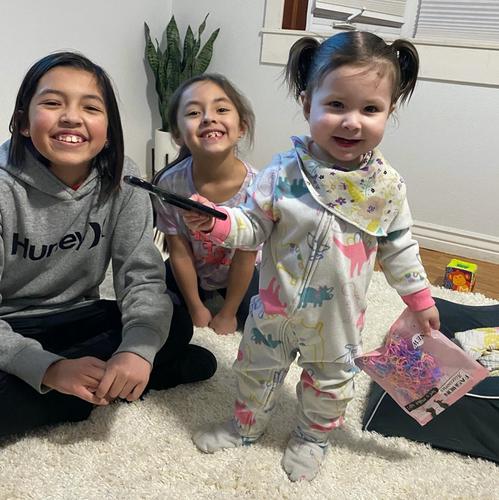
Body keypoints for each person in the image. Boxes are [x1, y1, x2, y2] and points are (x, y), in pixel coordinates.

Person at [182, 31, 440, 481]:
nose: (351, 122)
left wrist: (420, 299)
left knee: (330, 387)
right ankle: (244, 427)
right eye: (336, 105)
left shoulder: (387, 188)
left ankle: (312, 437)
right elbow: (252, 225)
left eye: (370, 109)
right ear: (307, 105)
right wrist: (221, 222)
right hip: (273, 310)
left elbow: (399, 245)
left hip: (337, 319)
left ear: (389, 112)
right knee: (254, 373)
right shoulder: (283, 173)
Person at [0, 51, 216, 439]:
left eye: (90, 107)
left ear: (108, 128)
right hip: (9, 324)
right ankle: (115, 383)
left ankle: (104, 380)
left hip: (78, 316)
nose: (71, 116)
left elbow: (141, 275)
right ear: (22, 123)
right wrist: (47, 368)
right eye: (52, 103)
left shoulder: (124, 178)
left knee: (172, 321)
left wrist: (136, 350)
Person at [154, 74, 259, 336]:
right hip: (191, 264)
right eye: (193, 112)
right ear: (177, 134)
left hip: (239, 269)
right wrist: (195, 306)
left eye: (221, 109)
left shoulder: (259, 187)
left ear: (242, 127)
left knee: (259, 320)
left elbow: (246, 258)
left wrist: (228, 313)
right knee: (164, 313)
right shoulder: (169, 184)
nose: (209, 118)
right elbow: (178, 251)